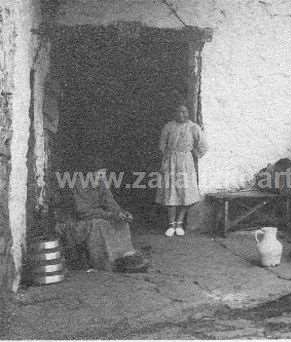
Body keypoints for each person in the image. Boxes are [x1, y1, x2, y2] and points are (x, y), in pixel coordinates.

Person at [71, 157, 149, 272]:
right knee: (100, 225)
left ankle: (126, 258)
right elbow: (83, 212)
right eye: (99, 174)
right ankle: (107, 263)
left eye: (103, 174)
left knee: (122, 223)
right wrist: (109, 215)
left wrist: (121, 213)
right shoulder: (78, 185)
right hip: (83, 220)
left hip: (99, 215)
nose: (102, 177)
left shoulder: (101, 183)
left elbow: (110, 202)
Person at [156, 104, 207, 237]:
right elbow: (162, 145)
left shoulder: (193, 127)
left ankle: (179, 223)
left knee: (186, 193)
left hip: (186, 162)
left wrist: (194, 155)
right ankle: (171, 224)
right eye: (178, 112)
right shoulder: (168, 126)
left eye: (184, 112)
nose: (181, 115)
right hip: (171, 161)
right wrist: (167, 157)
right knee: (170, 192)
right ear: (174, 113)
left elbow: (203, 145)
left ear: (188, 113)